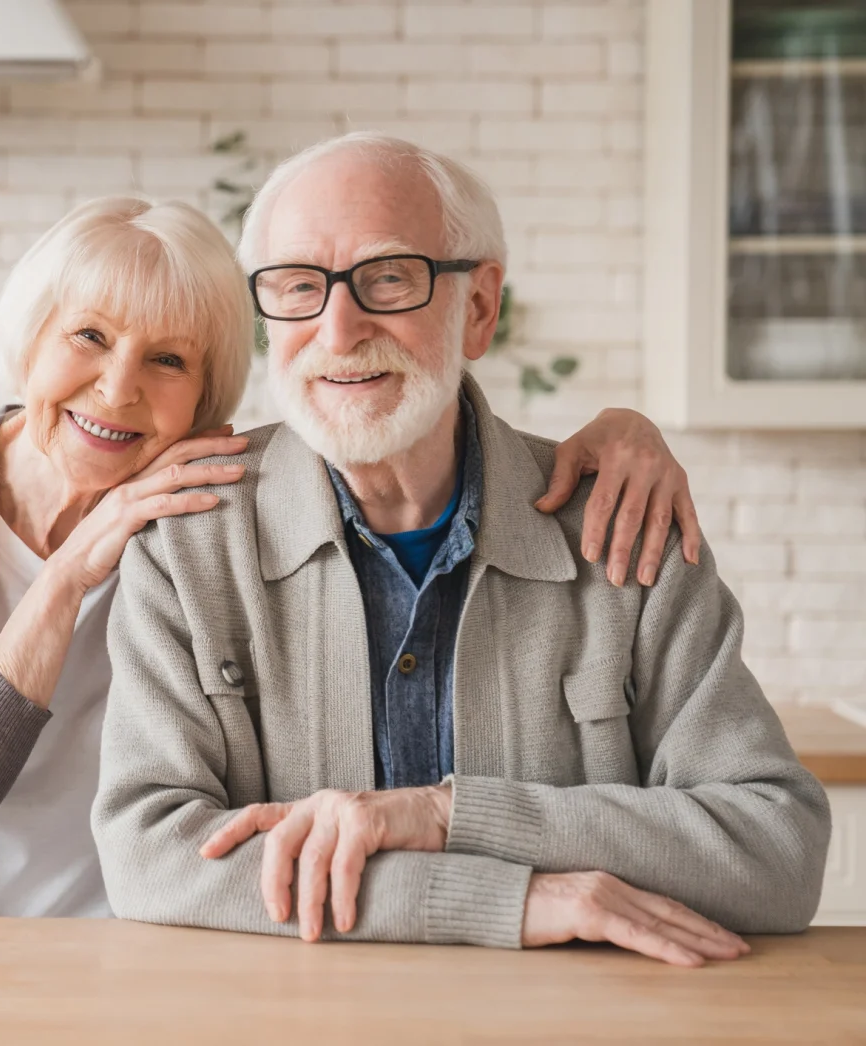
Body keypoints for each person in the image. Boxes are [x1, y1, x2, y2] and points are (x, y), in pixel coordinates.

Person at [0, 193, 708, 917]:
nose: (119, 388)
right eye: (87, 337)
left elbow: (399, 425)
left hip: (162, 945)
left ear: (209, 403)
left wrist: (626, 432)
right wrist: (67, 575)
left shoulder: (203, 504)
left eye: (166, 359)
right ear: (31, 335)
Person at [91, 133, 831, 964]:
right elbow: (150, 856)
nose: (337, 331)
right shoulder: (189, 541)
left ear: (478, 307)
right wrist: (505, 899)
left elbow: (777, 852)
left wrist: (449, 815)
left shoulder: (623, 526)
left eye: (388, 279)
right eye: (299, 287)